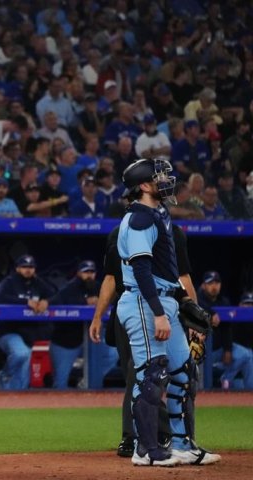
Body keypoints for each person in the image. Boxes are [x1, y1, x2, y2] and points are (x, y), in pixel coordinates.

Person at [114, 158, 220, 466]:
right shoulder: (139, 220)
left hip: (163, 301)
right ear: (144, 186)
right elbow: (142, 270)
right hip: (144, 305)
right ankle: (145, 449)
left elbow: (163, 270)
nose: (165, 180)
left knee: (182, 371)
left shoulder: (157, 213)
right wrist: (160, 312)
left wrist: (182, 299)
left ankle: (181, 444)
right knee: (152, 374)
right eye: (159, 176)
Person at [0, 254, 55, 390]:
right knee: (22, 353)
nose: (28, 270)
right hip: (7, 331)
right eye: (24, 267)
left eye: (31, 267)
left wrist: (47, 301)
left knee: (23, 372)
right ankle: (5, 374)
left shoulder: (38, 282)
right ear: (17, 268)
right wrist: (25, 302)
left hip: (28, 333)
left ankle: (16, 399)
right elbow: (0, 298)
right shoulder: (9, 282)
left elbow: (55, 295)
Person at [48, 261, 110, 389]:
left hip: (93, 341)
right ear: (78, 273)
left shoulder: (100, 287)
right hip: (66, 341)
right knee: (60, 383)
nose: (89, 275)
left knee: (112, 354)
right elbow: (53, 305)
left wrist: (101, 302)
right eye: (86, 272)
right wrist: (83, 302)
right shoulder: (68, 288)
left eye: (92, 272)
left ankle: (85, 382)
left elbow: (113, 303)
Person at [197, 272, 251, 390]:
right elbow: (196, 305)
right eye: (210, 283)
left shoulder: (224, 301)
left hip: (219, 350)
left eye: (217, 283)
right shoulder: (197, 299)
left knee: (246, 355)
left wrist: (228, 349)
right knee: (201, 384)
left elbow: (227, 328)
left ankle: (232, 382)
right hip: (201, 351)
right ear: (203, 285)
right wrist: (211, 314)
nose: (214, 286)